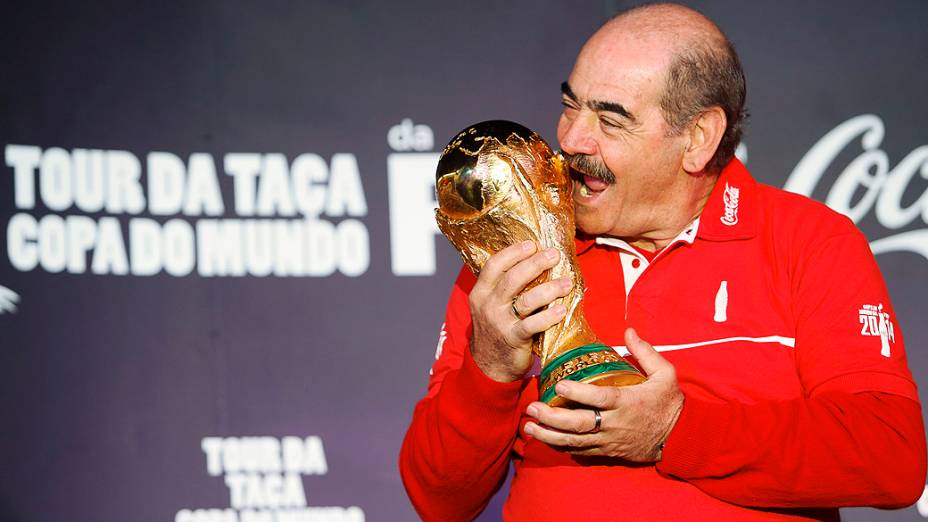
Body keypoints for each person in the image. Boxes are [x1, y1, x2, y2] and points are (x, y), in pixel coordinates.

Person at [399, 3, 927, 520]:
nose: (570, 139)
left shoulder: (808, 240)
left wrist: (676, 430)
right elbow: (437, 500)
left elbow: (890, 458)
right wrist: (489, 368)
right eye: (570, 105)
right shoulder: (515, 252)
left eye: (610, 119)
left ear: (698, 140)